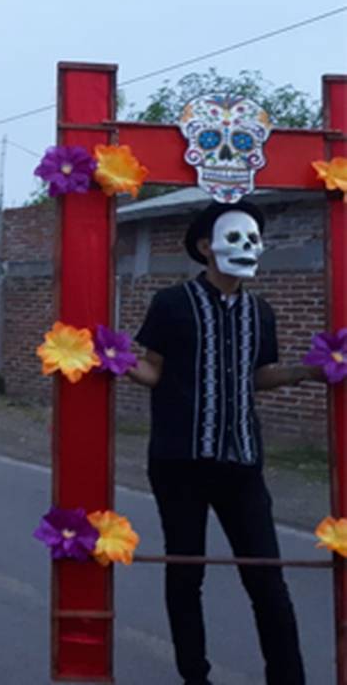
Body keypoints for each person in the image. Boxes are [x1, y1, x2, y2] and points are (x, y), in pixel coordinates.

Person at [126, 200, 326, 685]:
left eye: (255, 239)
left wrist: (306, 371)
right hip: (179, 460)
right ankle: (195, 676)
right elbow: (154, 369)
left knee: (267, 578)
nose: (249, 248)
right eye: (237, 238)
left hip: (242, 462)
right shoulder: (171, 303)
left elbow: (258, 376)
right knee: (186, 573)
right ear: (204, 246)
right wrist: (111, 360)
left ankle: (288, 679)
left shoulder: (261, 311)